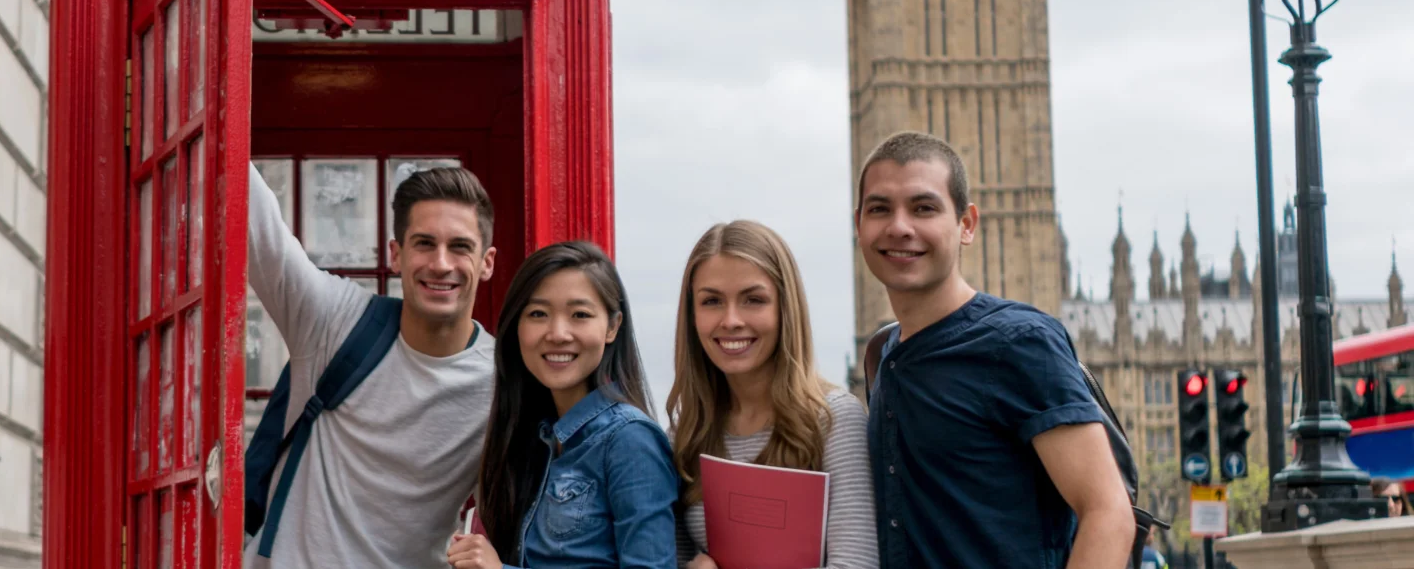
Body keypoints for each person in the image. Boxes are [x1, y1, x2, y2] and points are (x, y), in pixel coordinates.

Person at [856, 131, 1137, 569]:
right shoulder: (883, 355)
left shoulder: (1019, 342)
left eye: (923, 207)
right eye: (879, 209)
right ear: (859, 226)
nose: (899, 226)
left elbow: (1109, 513)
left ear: (966, 225)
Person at [245, 163, 497, 568]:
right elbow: (255, 217)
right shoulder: (333, 320)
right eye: (424, 243)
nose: (441, 263)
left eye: (460, 247)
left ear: (486, 262)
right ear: (395, 255)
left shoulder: (502, 384)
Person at [447, 241, 677, 569]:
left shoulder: (629, 441)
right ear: (518, 327)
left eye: (579, 315)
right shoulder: (536, 438)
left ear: (612, 327)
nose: (557, 333)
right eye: (538, 314)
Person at [669, 221, 879, 569]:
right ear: (692, 316)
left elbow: (857, 563)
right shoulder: (686, 435)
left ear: (786, 309)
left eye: (754, 300)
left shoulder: (833, 419)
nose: (731, 320)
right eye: (712, 301)